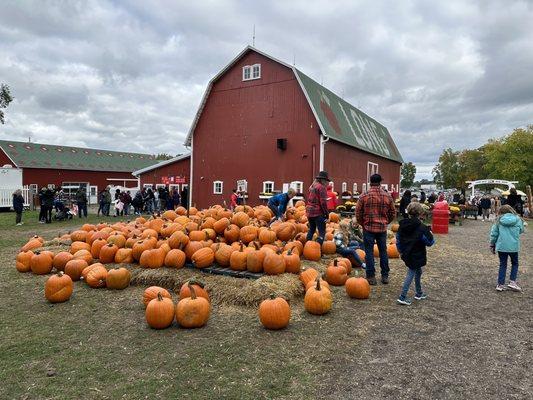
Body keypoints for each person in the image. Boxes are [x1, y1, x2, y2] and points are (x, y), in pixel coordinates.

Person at [355, 174, 396, 285]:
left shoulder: (364, 195)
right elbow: (393, 212)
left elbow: (358, 212)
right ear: (380, 182)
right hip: (382, 228)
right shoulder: (387, 196)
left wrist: (362, 223)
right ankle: (385, 276)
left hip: (368, 227)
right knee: (383, 251)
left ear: (370, 182)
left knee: (369, 252)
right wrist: (386, 222)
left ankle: (371, 276)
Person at [396, 202, 435, 305]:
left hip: (406, 253)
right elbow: (430, 242)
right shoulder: (422, 228)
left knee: (418, 271)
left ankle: (419, 293)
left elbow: (398, 240)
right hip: (416, 254)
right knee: (411, 272)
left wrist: (400, 251)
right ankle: (402, 296)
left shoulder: (402, 225)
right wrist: (430, 234)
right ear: (420, 213)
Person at [490, 205, 524, 292]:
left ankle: (500, 284)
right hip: (513, 246)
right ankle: (512, 282)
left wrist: (492, 244)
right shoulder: (517, 219)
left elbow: (494, 233)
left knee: (503, 264)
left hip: (502, 246)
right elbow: (521, 230)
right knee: (515, 263)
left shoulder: (498, 220)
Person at [305, 171, 330, 245]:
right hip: (318, 213)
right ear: (323, 180)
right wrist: (326, 214)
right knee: (322, 232)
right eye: (326, 181)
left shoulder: (313, 186)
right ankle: (318, 249)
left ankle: (306, 246)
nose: (327, 183)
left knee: (311, 230)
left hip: (309, 212)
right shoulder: (322, 188)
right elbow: (323, 202)